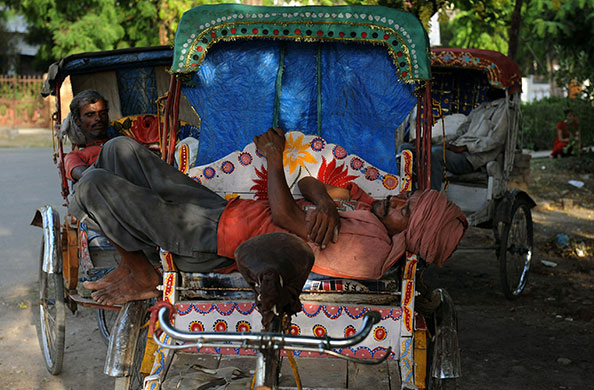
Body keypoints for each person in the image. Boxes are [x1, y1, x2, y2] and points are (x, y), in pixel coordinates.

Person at [71, 128, 467, 306]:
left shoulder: (370, 246)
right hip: (223, 211)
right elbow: (313, 184)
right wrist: (327, 204)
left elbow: (285, 215)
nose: (397, 200)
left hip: (212, 241)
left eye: (407, 210)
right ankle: (130, 260)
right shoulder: (369, 212)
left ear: (413, 233)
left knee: (92, 185)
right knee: (119, 150)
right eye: (407, 198)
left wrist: (274, 157)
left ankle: (141, 271)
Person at [429, 88, 509, 191]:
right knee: (412, 149)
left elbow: (496, 140)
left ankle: (431, 198)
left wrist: (465, 147)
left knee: (436, 154)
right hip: (457, 149)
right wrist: (431, 141)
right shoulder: (481, 108)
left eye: (493, 84)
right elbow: (459, 133)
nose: (489, 87)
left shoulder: (504, 109)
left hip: (470, 158)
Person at [62, 90, 111, 181]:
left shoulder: (125, 142)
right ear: (77, 121)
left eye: (103, 113)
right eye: (90, 115)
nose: (98, 118)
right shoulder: (76, 156)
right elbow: (88, 178)